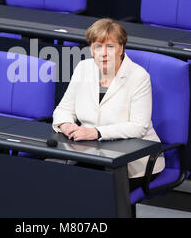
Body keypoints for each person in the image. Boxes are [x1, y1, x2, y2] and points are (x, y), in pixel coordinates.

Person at [52, 18, 165, 192]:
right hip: (93, 154)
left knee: (90, 191)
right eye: (98, 46)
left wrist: (96, 132)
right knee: (59, 183)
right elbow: (63, 109)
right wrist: (66, 125)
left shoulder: (139, 77)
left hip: (134, 162)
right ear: (91, 49)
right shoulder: (83, 68)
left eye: (110, 47)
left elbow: (138, 127)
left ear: (121, 48)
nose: (103, 53)